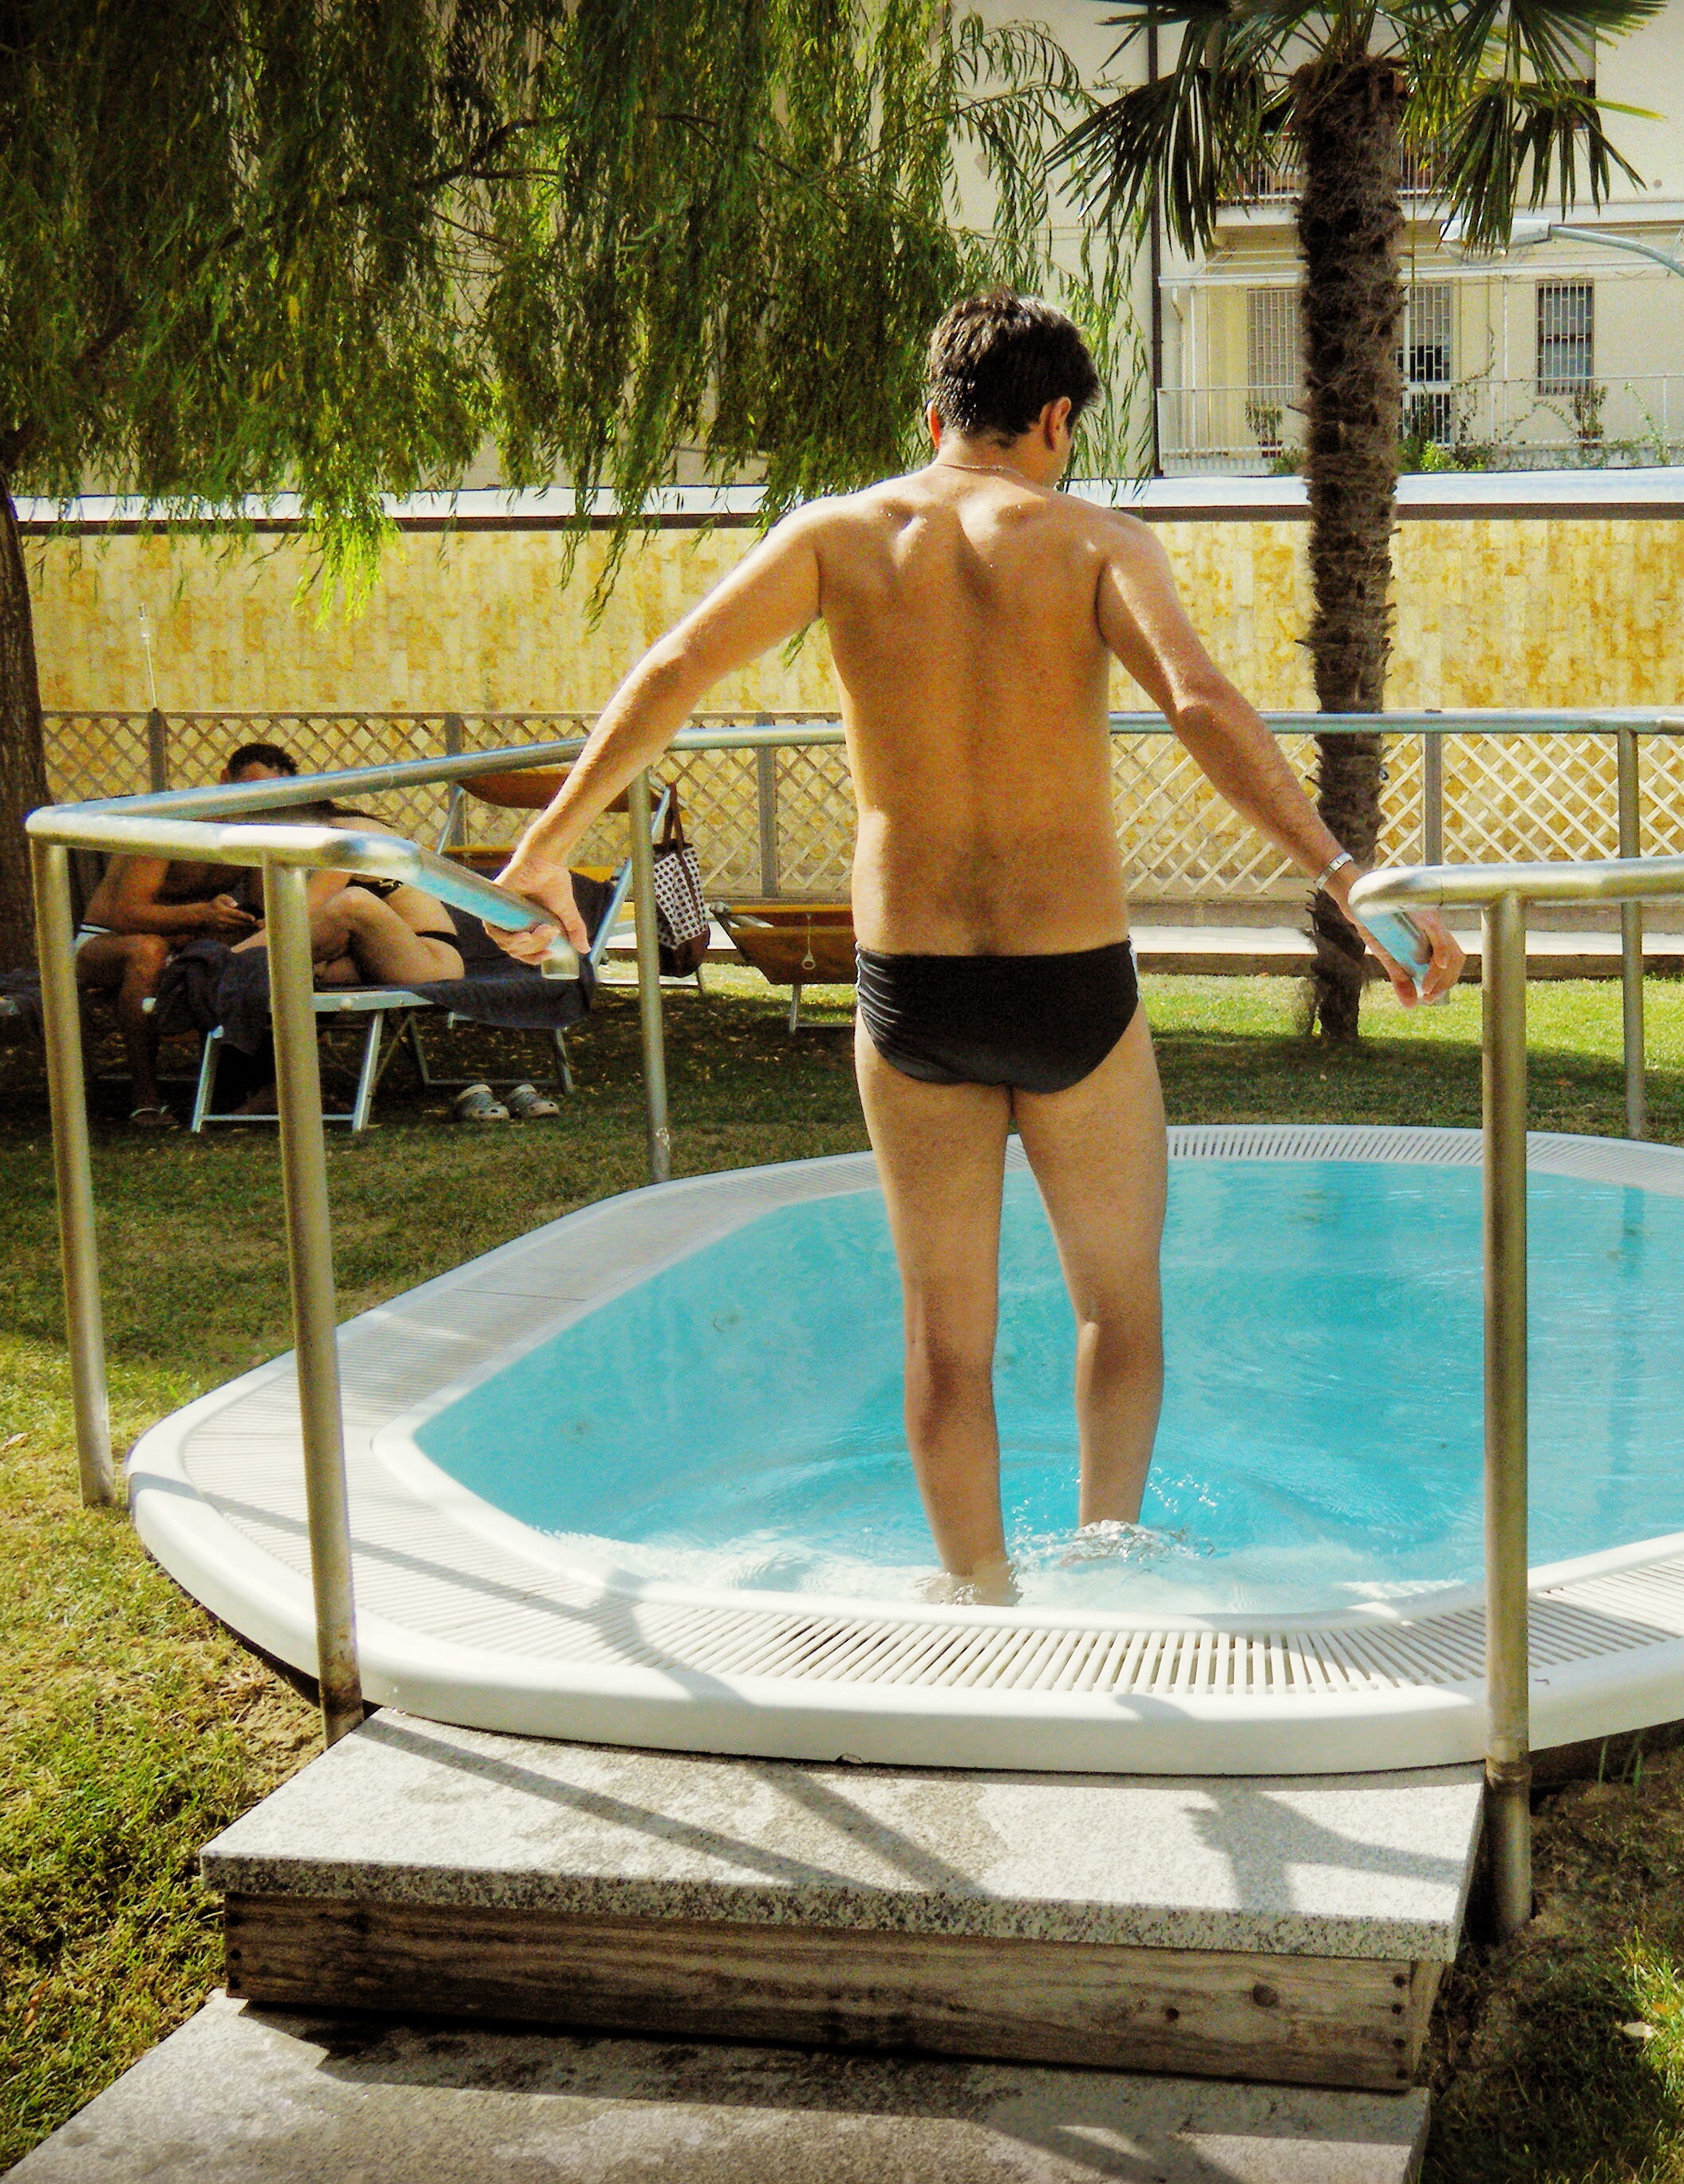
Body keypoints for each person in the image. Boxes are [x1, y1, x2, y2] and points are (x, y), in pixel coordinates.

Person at [487, 290, 1463, 1604]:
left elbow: (671, 668)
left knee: (944, 1338)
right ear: (1055, 419)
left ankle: (977, 1591)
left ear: (933, 412)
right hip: (1072, 981)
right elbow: (1199, 703)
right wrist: (1345, 879)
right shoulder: (1095, 543)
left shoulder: (834, 536)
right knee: (1115, 1305)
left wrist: (546, 844)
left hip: (913, 989)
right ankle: (1111, 1564)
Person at [76, 742, 298, 1126]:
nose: (260, 802)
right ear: (225, 780)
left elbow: (262, 909)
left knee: (247, 950)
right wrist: (200, 914)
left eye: (273, 796)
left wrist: (254, 922)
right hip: (106, 941)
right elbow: (123, 913)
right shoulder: (172, 825)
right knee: (148, 949)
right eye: (251, 789)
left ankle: (240, 1085)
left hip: (190, 943)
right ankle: (146, 1099)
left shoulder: (259, 834)